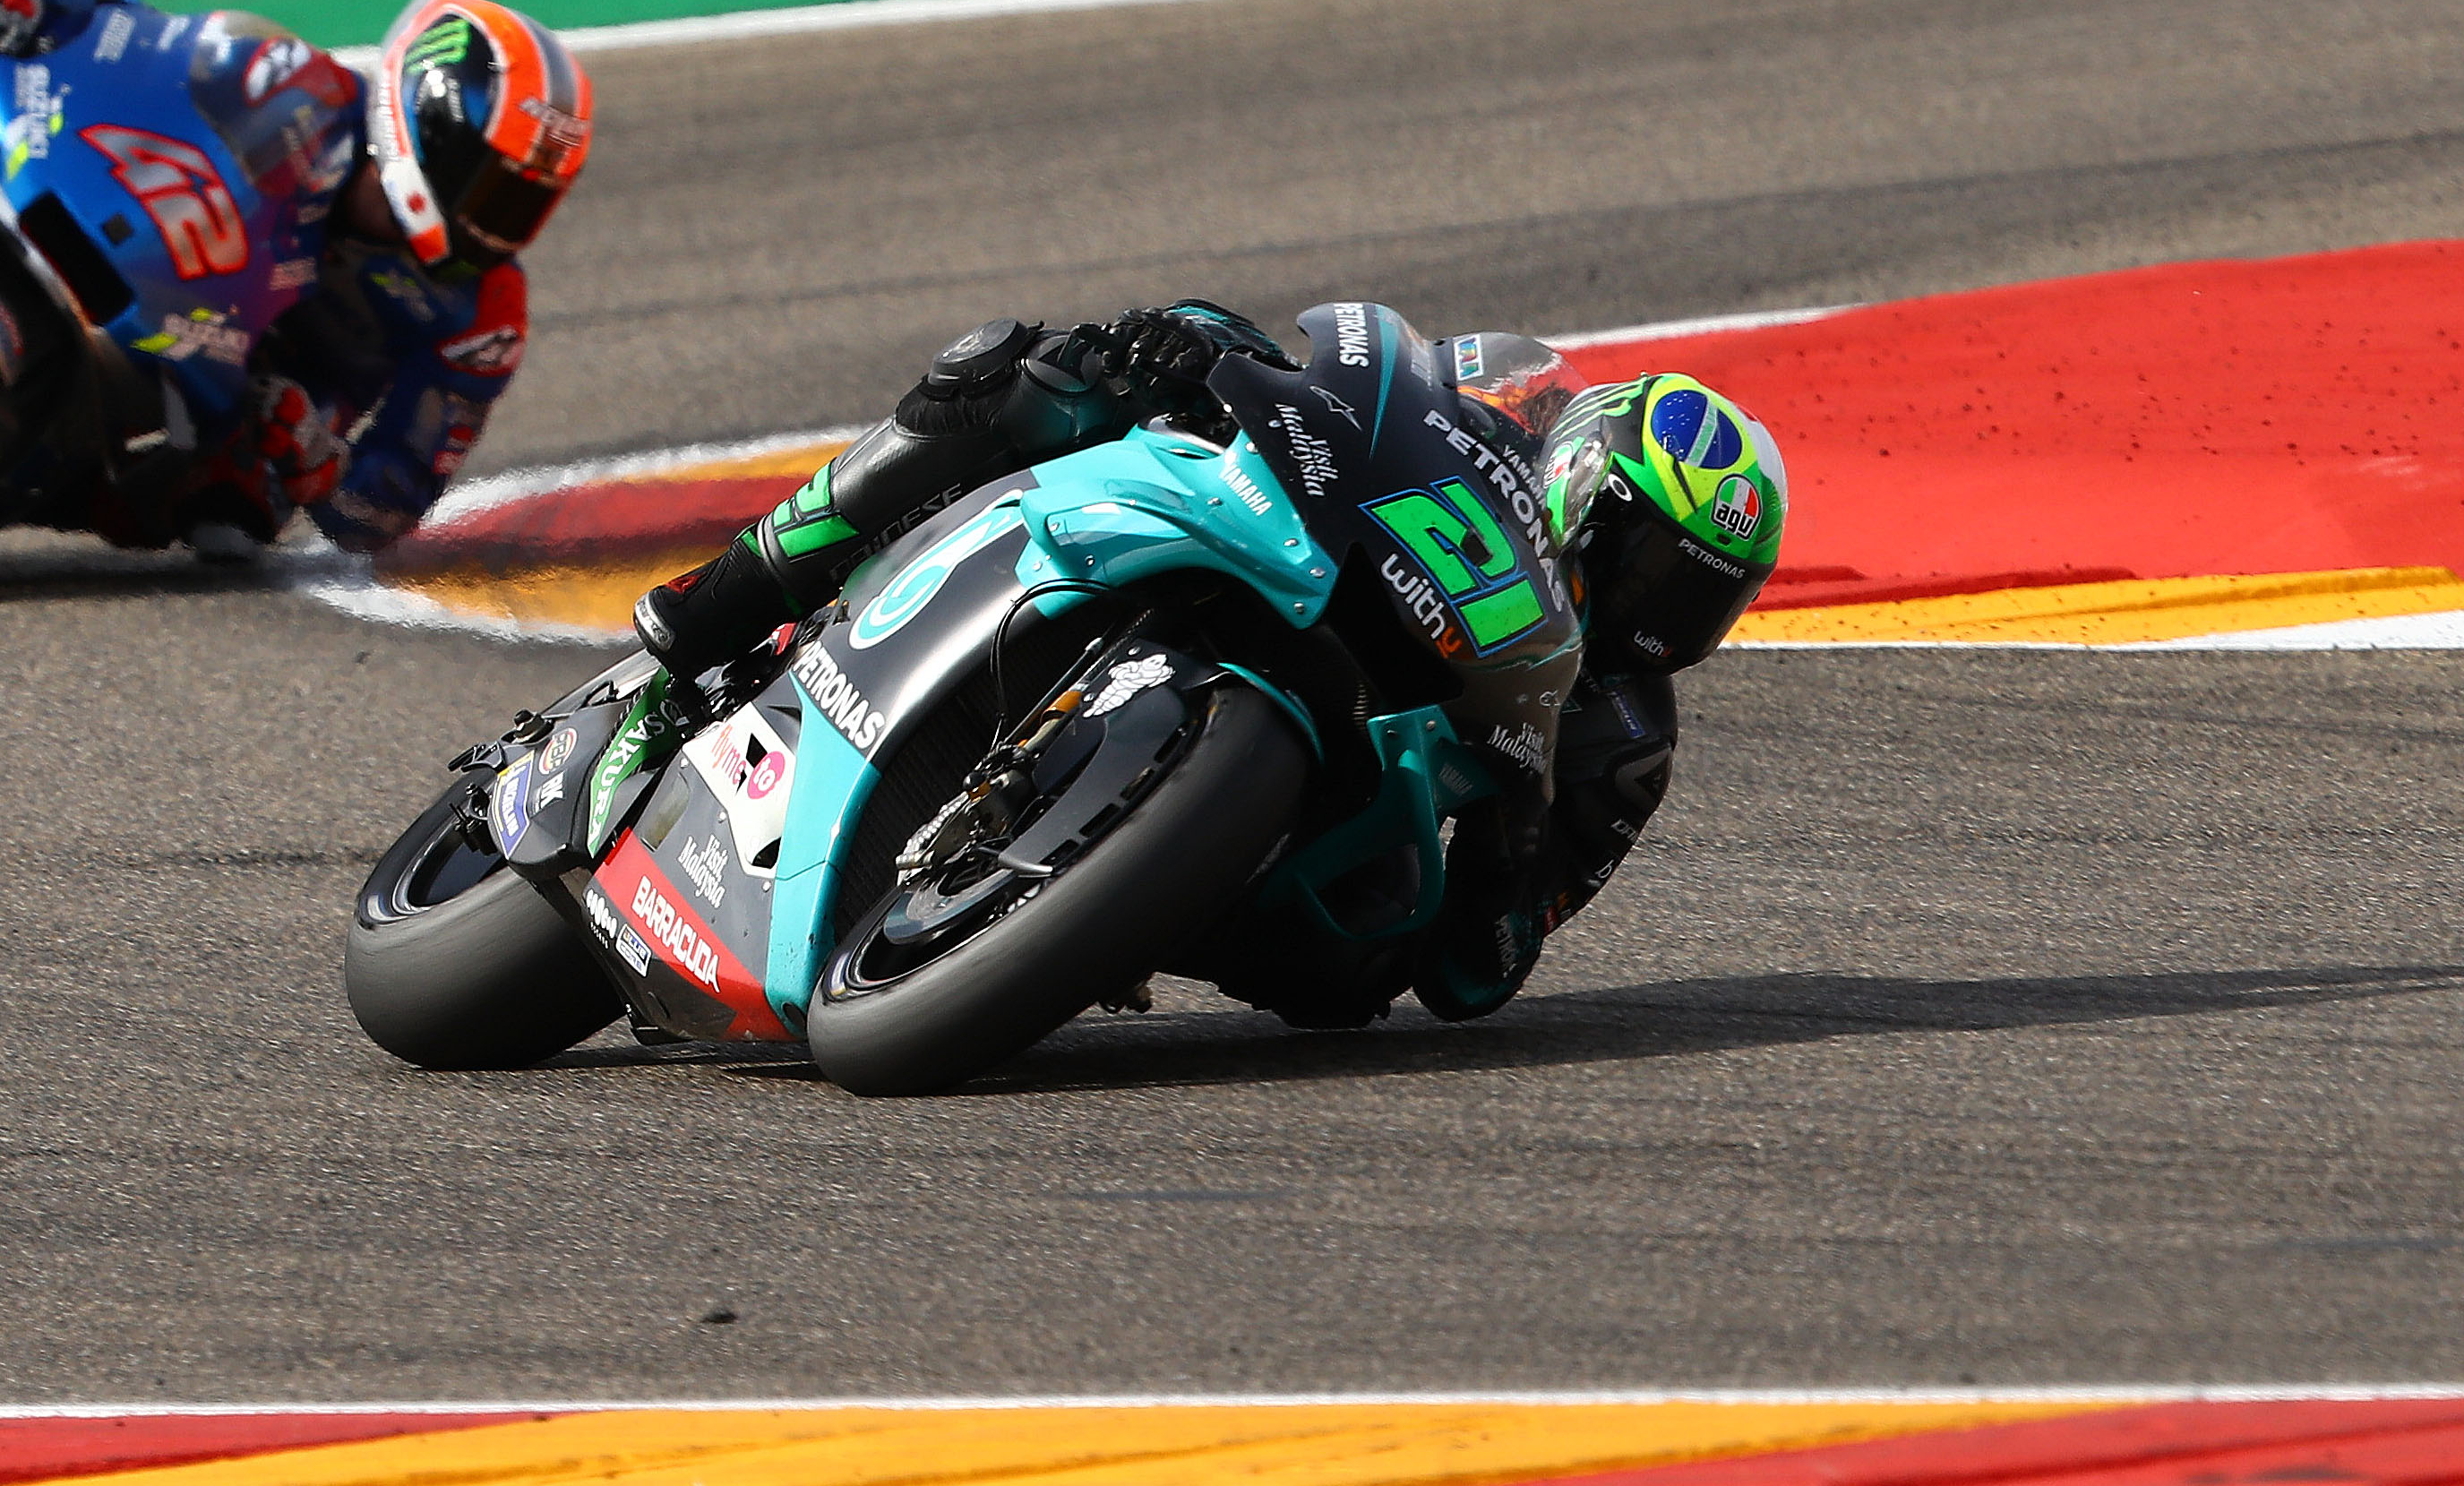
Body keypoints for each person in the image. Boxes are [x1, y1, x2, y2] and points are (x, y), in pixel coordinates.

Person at [631, 304, 1786, 1026]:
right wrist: (1197, 343)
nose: (1656, 613)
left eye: (1696, 597)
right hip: (1291, 560)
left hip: (1317, 849)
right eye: (1646, 565)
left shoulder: (1622, 744)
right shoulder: (1496, 416)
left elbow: (1476, 977)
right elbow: (1356, 386)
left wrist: (1516, 851)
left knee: (1356, 974)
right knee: (1022, 376)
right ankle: (724, 601)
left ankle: (1091, 902)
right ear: (1584, 483)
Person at [0, 0, 593, 556]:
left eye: (527, 200)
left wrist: (317, 456)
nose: (501, 221)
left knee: (230, 531)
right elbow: (132, 32)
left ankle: (3, 479)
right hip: (146, 257)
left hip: (233, 406)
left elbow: (387, 506)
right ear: (426, 126)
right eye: (495, 185)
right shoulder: (288, 79)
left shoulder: (482, 318)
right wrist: (31, 3)